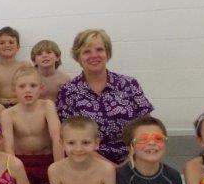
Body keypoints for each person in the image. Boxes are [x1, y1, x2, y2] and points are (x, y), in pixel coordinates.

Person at [56, 29, 153, 165]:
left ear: (107, 53)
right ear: (78, 56)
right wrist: (109, 167)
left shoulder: (129, 84)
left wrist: (129, 162)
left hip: (133, 160)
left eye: (99, 49)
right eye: (87, 51)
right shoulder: (68, 91)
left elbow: (147, 126)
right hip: (87, 163)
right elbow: (68, 136)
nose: (94, 55)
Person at [1, 65, 63, 184]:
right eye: (22, 86)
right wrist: (14, 172)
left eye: (33, 86)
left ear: (41, 88)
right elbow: (8, 147)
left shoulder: (47, 106)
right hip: (22, 163)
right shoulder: (8, 114)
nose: (27, 90)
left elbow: (57, 138)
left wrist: (59, 167)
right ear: (14, 90)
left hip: (47, 160)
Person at [0, 27, 31, 107]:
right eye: (2, 43)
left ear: (18, 47)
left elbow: (32, 89)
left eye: (11, 42)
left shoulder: (25, 66)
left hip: (22, 106)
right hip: (0, 107)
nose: (7, 45)